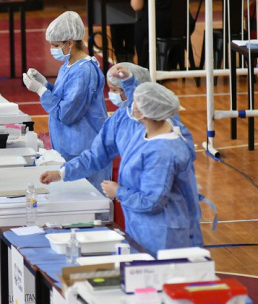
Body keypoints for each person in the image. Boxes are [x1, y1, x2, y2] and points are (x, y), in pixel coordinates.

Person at [41, 82, 203, 256]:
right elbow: (97, 154)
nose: (130, 105)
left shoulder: (162, 151)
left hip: (163, 235)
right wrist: (62, 173)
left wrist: (118, 191)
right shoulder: (145, 136)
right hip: (143, 226)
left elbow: (152, 201)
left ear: (143, 112)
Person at [22, 11, 111, 193]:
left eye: (55, 45)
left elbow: (66, 113)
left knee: (91, 207)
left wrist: (40, 91)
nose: (52, 49)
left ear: (70, 42)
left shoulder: (84, 71)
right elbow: (65, 96)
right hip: (69, 149)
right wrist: (45, 84)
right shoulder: (69, 65)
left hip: (84, 151)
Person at [131, 0, 171, 68]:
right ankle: (171, 64)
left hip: (156, 25)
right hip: (183, 26)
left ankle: (143, 67)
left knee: (139, 27)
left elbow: (136, 6)